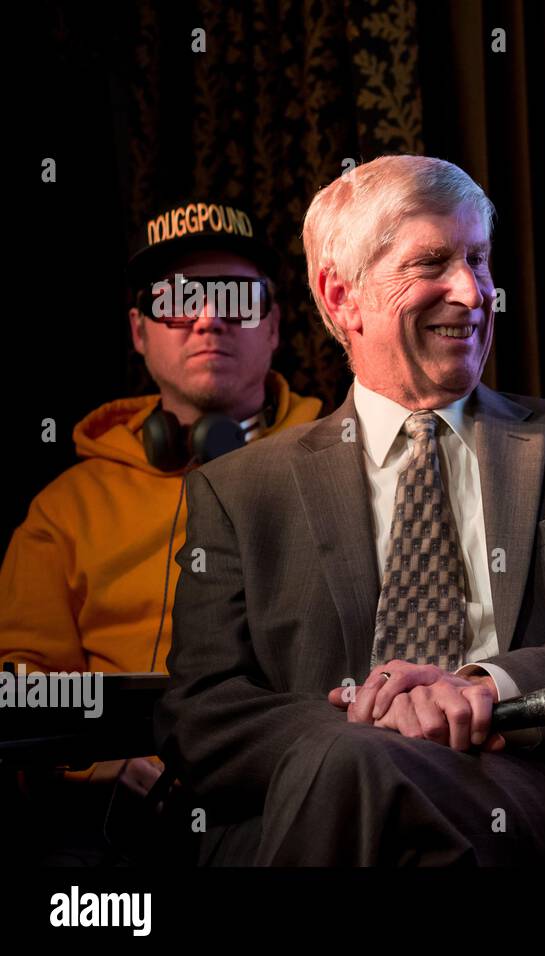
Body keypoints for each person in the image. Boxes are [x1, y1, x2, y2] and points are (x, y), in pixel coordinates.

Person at [154, 156, 545, 866]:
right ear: (342, 296)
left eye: (478, 260)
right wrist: (368, 731)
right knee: (361, 774)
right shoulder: (239, 491)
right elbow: (201, 711)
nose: (473, 292)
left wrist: (485, 690)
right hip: (321, 797)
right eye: (432, 262)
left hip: (537, 793)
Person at [0, 200, 323, 862]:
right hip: (119, 811)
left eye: (234, 297)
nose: (208, 319)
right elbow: (21, 679)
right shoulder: (65, 509)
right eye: (179, 299)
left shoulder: (348, 464)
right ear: (139, 332)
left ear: (273, 326)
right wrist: (94, 770)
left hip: (301, 785)